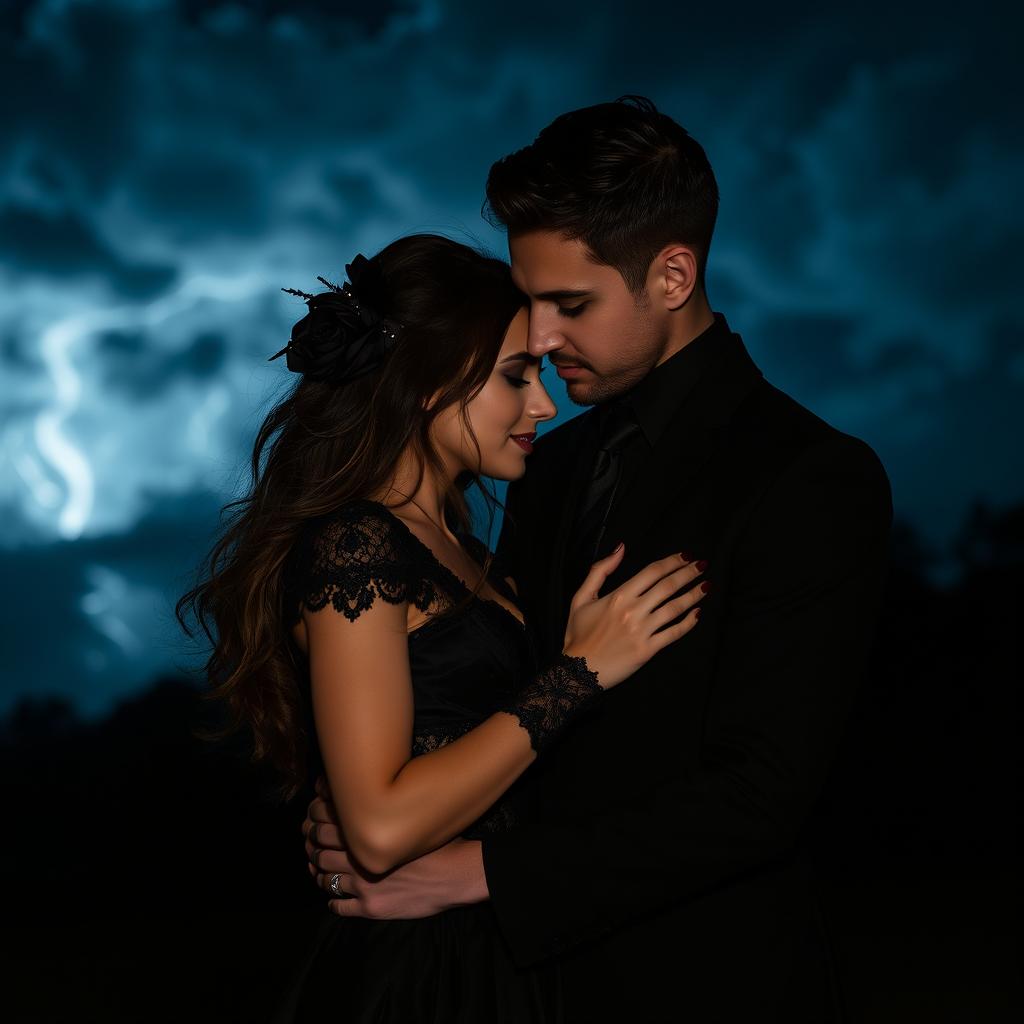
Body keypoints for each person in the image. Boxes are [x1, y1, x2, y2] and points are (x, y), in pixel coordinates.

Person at [303, 97, 893, 1022]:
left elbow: (760, 798)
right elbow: (484, 682)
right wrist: (368, 805)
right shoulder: (554, 465)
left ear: (671, 274)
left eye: (569, 305)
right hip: (520, 989)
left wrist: (480, 872)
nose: (537, 337)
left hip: (706, 982)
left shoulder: (809, 476)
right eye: (531, 303)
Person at [178, 232, 710, 1023]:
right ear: (427, 386)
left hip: (510, 946)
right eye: (515, 376)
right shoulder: (354, 545)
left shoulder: (468, 553)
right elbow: (383, 827)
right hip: (421, 972)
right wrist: (580, 671)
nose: (543, 403)